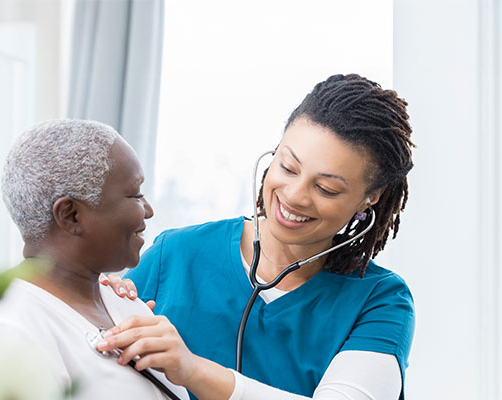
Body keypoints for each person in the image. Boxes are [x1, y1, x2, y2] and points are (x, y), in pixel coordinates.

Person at [99, 74, 415, 400]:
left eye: (326, 188)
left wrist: (192, 370)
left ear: (370, 197)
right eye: (288, 167)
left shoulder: (379, 301)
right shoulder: (176, 255)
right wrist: (100, 302)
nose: (294, 196)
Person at [0, 120, 189, 400]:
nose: (148, 210)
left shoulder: (124, 302)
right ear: (71, 215)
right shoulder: (3, 328)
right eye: (134, 194)